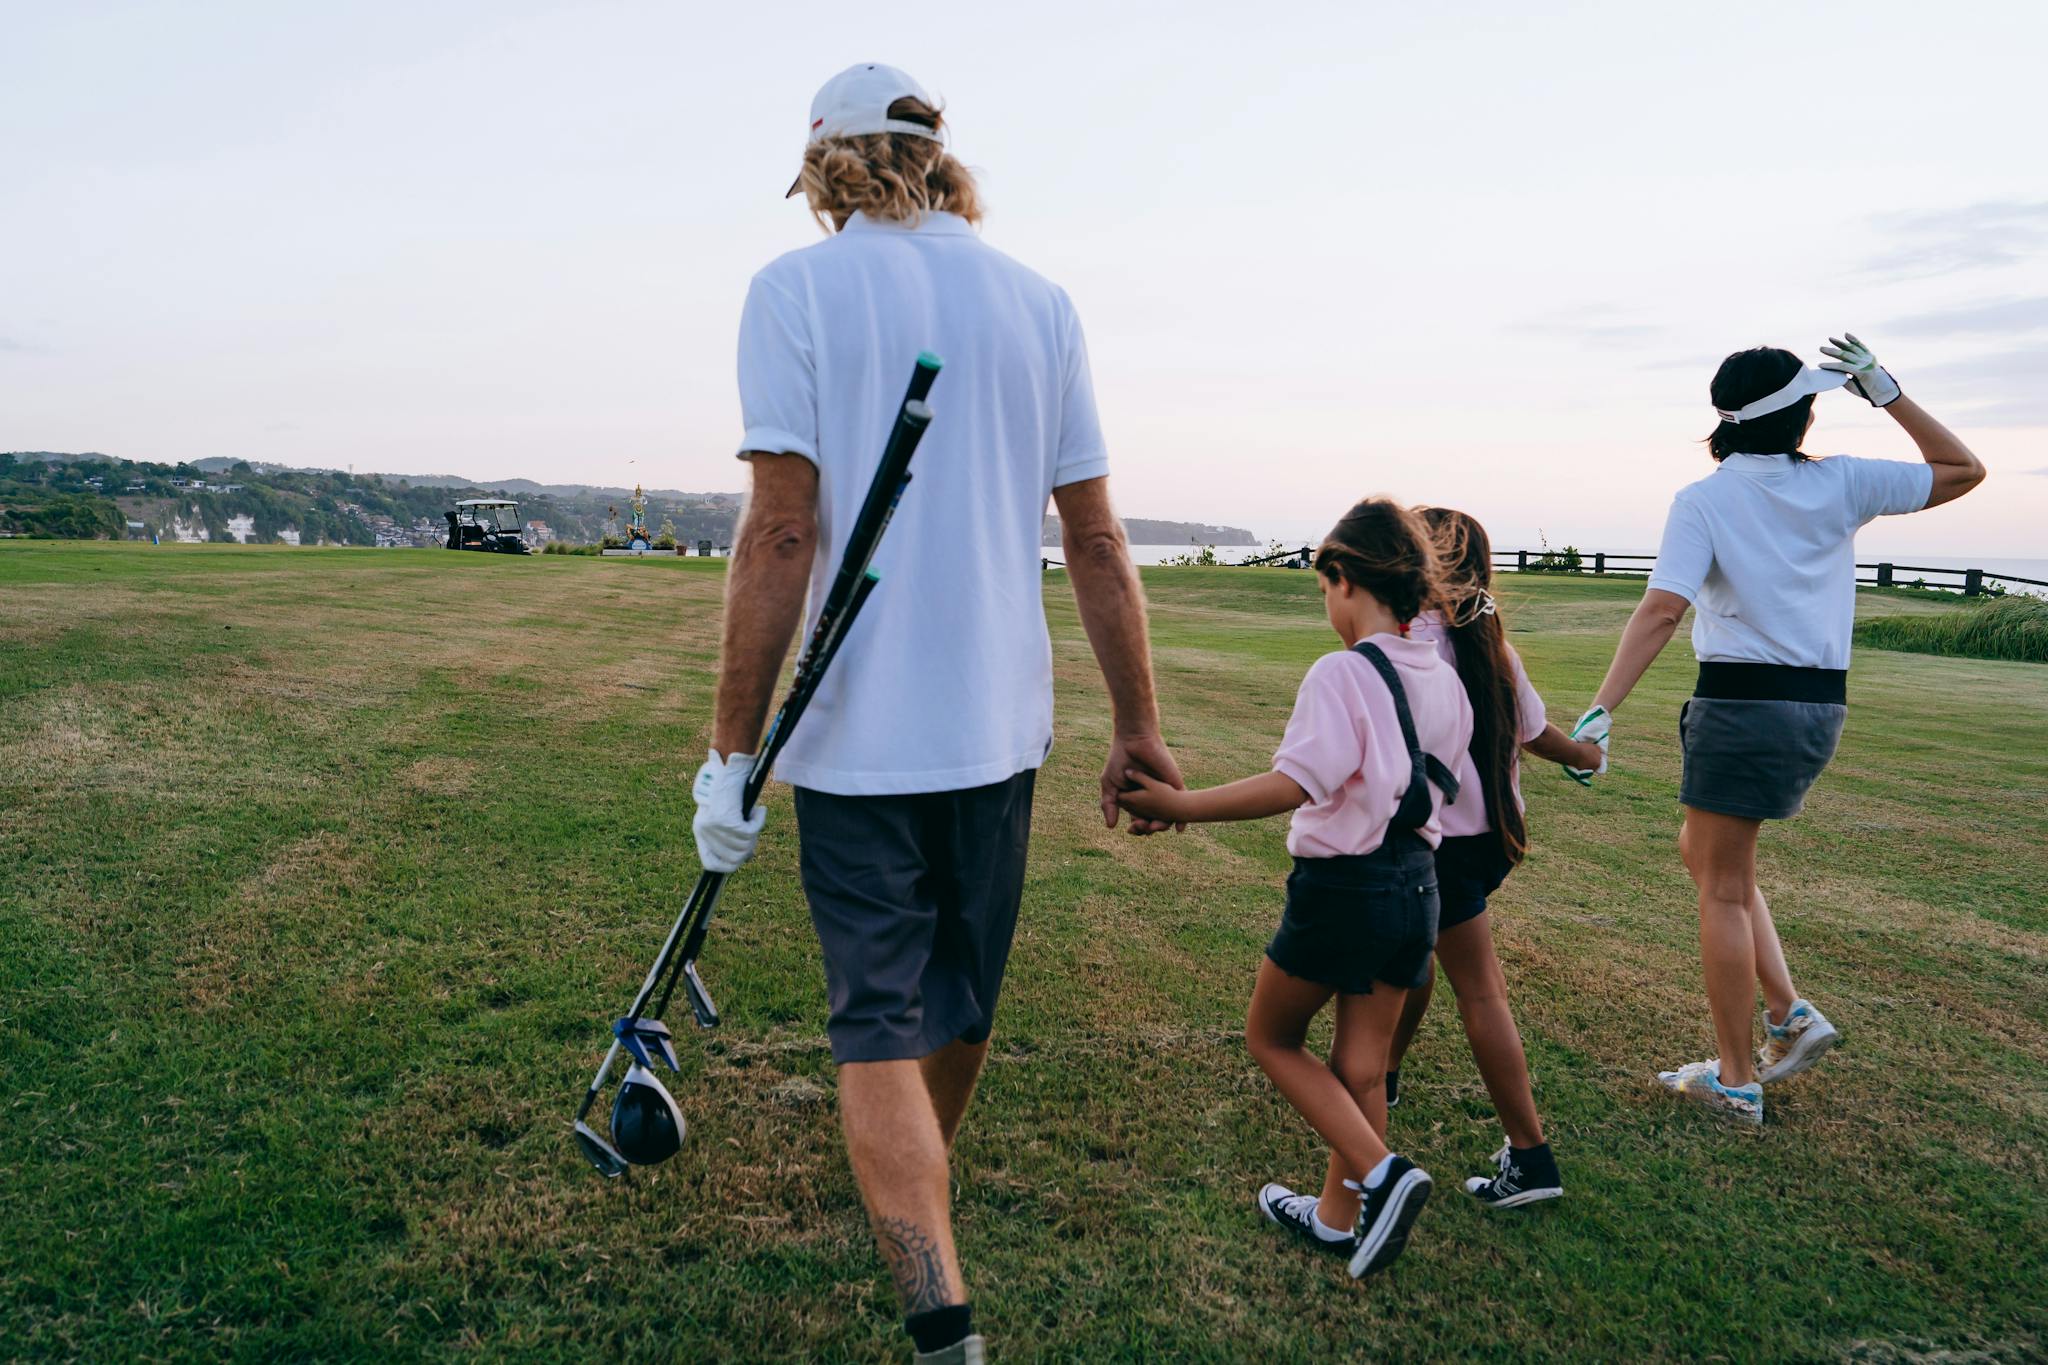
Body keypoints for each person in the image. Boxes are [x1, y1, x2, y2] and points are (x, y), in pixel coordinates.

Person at [691, 64, 1183, 1365]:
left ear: (824, 167)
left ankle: (938, 1310)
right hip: (1001, 733)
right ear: (939, 158)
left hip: (858, 742)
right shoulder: (1040, 301)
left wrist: (730, 752)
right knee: (954, 1007)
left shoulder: (793, 290)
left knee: (877, 1022)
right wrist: (1136, 721)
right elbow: (1097, 538)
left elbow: (782, 527)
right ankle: (920, 1193)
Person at [1581, 335, 1986, 1125]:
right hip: (1816, 708)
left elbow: (1663, 608)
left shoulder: (1705, 499)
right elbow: (1962, 469)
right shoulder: (1840, 482)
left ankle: (1737, 1077)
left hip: (1743, 707)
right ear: (1801, 415)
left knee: (1723, 886)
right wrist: (1885, 390)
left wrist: (1602, 708)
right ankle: (1790, 1013)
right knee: (1704, 855)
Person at [1118, 497, 1470, 1279]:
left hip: (1344, 890)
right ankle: (1339, 1220)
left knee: (1271, 1038)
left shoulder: (1342, 673)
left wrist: (1181, 806)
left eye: (1324, 590)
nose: (1326, 609)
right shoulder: (1444, 680)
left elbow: (1293, 783)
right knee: (1363, 1069)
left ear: (1344, 577)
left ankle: (1382, 1172)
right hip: (1419, 888)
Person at [1359, 506, 1606, 1210]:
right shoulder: (1489, 645)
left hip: (1430, 844)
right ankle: (1391, 1069)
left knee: (1475, 989)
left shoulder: (1404, 646)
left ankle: (1529, 1156)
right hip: (1484, 844)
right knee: (1425, 956)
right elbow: (1536, 733)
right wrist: (1587, 754)